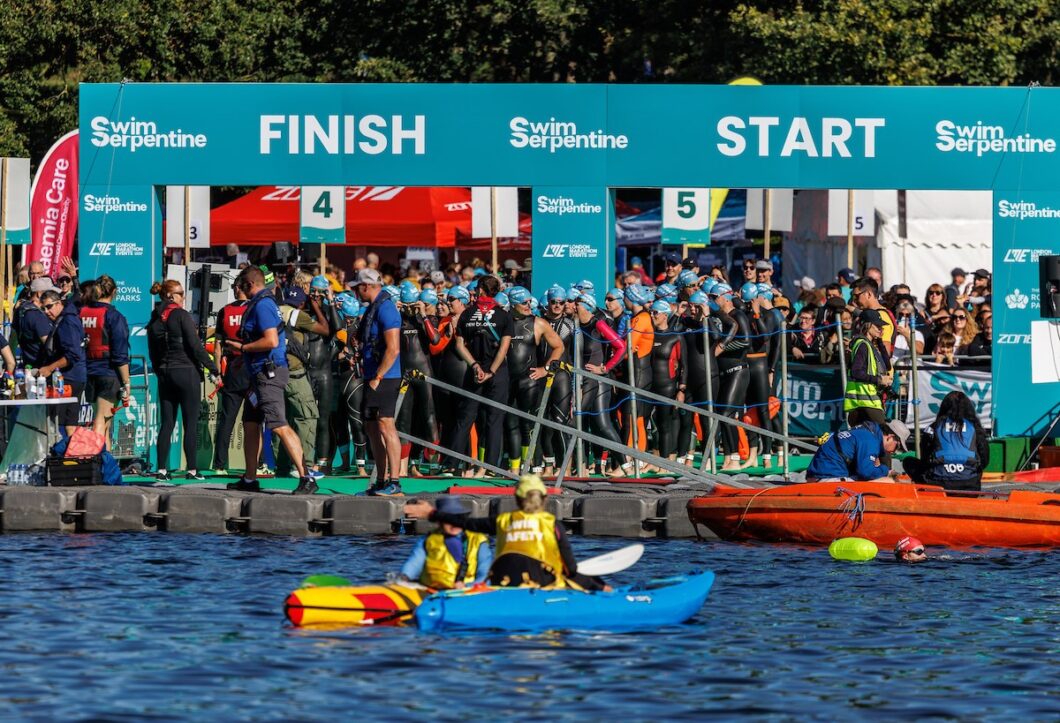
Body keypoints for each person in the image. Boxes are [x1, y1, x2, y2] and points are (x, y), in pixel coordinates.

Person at [404, 474, 608, 591]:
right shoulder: (552, 524)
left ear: (517, 500)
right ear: (545, 499)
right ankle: (611, 594)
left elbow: (466, 523)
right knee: (585, 580)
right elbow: (570, 569)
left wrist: (432, 513)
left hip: (502, 584)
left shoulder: (502, 521)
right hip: (539, 586)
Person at [226, 266, 315, 495]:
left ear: (249, 285)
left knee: (279, 425)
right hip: (258, 374)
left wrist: (243, 347)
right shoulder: (262, 302)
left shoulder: (263, 305)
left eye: (240, 285)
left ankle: (306, 477)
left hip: (269, 375)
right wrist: (243, 358)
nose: (237, 289)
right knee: (251, 422)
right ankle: (249, 478)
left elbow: (271, 341)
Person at [146, 280, 219, 481]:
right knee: (190, 424)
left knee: (167, 423)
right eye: (180, 294)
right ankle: (193, 470)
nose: (183, 297)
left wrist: (160, 370)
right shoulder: (181, 315)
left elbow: (152, 351)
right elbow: (196, 347)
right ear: (171, 296)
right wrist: (213, 368)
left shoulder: (154, 319)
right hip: (186, 372)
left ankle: (161, 470)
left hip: (165, 373)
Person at [449, 274, 512, 474]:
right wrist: (491, 371)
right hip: (497, 373)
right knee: (494, 420)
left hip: (474, 372)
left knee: (465, 418)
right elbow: (504, 348)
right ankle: (492, 467)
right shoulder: (504, 315)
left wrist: (475, 366)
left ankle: (451, 465)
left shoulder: (467, 314)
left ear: (481, 290)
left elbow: (459, 345)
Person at [353, 268, 403, 495]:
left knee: (386, 424)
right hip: (372, 375)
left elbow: (393, 349)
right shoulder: (372, 308)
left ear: (366, 286)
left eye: (357, 287)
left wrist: (379, 377)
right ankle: (381, 480)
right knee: (371, 427)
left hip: (386, 377)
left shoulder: (387, 308)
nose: (355, 291)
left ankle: (395, 481)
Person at [504, 286, 563, 474]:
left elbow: (559, 347)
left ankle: (533, 466)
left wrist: (545, 369)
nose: (529, 305)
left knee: (528, 425)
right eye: (524, 303)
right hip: (507, 381)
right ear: (513, 304)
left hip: (529, 380)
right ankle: (514, 469)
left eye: (530, 302)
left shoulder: (538, 323)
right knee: (510, 424)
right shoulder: (503, 322)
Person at [274, 286, 329, 478]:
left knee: (283, 420)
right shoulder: (297, 315)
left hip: (274, 373)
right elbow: (325, 329)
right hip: (294, 374)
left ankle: (281, 466)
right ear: (302, 303)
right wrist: (317, 307)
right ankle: (303, 467)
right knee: (307, 417)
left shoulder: (275, 310)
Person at [573, 293, 631, 475]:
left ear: (587, 307)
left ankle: (625, 465)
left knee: (602, 424)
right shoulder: (575, 325)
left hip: (598, 381)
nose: (574, 308)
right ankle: (580, 466)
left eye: (577, 305)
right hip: (582, 380)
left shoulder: (598, 324)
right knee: (581, 422)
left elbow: (621, 347)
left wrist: (605, 368)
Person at [80, 275, 131, 449]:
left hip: (89, 372)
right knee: (101, 421)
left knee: (105, 423)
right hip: (108, 374)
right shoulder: (114, 316)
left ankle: (105, 467)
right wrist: (126, 382)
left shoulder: (82, 312)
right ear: (114, 292)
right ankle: (95, 464)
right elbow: (120, 355)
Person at [399, 496, 493, 589]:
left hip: (465, 592)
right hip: (430, 590)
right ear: (439, 522)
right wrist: (403, 578)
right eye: (448, 520)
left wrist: (467, 586)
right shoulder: (427, 540)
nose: (454, 524)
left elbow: (484, 574)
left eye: (457, 518)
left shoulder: (479, 541)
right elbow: (414, 564)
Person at [904, 391, 989, 491]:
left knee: (908, 462)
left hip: (937, 484)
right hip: (969, 485)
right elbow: (985, 459)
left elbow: (924, 457)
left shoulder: (933, 427)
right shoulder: (975, 428)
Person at [710, 283, 752, 471]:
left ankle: (735, 457)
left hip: (738, 370)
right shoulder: (720, 318)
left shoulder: (738, 315)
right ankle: (728, 456)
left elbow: (746, 341)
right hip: (724, 371)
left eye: (714, 297)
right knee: (722, 414)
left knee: (727, 413)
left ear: (725, 297)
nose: (712, 300)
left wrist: (722, 348)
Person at [36, 290, 88, 438]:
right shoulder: (64, 318)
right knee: (70, 425)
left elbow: (72, 355)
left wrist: (49, 368)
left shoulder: (67, 322)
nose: (46, 311)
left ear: (59, 303)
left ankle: (63, 457)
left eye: (49, 306)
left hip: (70, 379)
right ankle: (70, 457)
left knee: (60, 424)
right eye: (43, 308)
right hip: (73, 376)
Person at [212, 284, 250, 473]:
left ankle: (220, 465)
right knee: (254, 421)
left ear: (237, 289)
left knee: (227, 420)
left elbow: (217, 347)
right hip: (251, 367)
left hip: (233, 369)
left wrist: (217, 372)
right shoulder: (255, 308)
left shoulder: (225, 311)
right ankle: (257, 465)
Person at [306, 275, 340, 474]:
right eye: (314, 292)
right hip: (307, 372)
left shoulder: (328, 312)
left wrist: (331, 300)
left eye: (320, 292)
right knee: (305, 418)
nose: (316, 296)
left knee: (323, 420)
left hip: (324, 373)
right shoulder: (303, 312)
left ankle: (324, 462)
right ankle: (305, 459)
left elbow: (337, 327)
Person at [805, 419, 910, 482]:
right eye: (898, 447)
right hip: (826, 479)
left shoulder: (864, 432)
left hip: (819, 476)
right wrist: (886, 471)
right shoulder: (870, 440)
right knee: (887, 482)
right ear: (890, 437)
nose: (895, 452)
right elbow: (866, 472)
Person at [844, 309, 893, 427]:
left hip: (865, 401)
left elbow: (887, 365)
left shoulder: (869, 345)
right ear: (868, 325)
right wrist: (879, 380)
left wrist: (880, 341)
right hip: (867, 401)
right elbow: (855, 372)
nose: (880, 329)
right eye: (877, 326)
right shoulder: (863, 345)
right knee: (884, 433)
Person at [13, 278, 57, 368]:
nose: (53, 297)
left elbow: (13, 337)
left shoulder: (20, 310)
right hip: (41, 368)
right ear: (39, 294)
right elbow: (50, 346)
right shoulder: (37, 316)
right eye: (50, 293)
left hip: (27, 364)